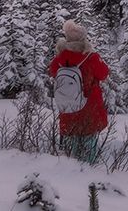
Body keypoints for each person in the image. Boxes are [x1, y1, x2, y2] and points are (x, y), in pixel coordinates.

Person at [47, 18, 111, 162]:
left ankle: (71, 177)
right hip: (89, 108)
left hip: (68, 108)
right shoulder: (91, 57)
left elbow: (52, 72)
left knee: (70, 154)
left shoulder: (60, 58)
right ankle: (88, 176)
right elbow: (104, 73)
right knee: (89, 152)